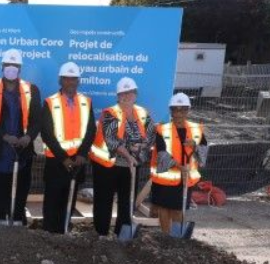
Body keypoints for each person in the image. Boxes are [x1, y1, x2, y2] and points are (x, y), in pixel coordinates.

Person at [0, 48, 42, 225]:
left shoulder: (32, 90)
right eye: (8, 65)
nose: (11, 68)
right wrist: (4, 136)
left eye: (15, 65)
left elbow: (37, 119)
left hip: (21, 152)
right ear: (2, 66)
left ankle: (17, 220)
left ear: (20, 69)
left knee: (20, 190)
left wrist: (29, 137)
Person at [89, 76, 156, 237]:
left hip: (131, 167)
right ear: (118, 96)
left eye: (130, 92)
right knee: (103, 201)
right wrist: (128, 153)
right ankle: (101, 234)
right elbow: (112, 140)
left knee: (128, 201)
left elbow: (151, 135)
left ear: (136, 94)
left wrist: (140, 148)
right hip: (107, 166)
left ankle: (123, 234)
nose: (127, 96)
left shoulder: (142, 113)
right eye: (123, 93)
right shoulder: (110, 113)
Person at [41, 62, 96, 233]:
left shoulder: (86, 102)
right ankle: (50, 232)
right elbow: (47, 134)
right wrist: (63, 158)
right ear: (60, 81)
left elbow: (90, 130)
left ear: (78, 81)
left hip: (77, 160)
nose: (70, 82)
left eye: (74, 79)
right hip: (57, 161)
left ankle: (65, 228)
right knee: (53, 198)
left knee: (70, 198)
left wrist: (82, 154)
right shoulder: (50, 102)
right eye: (67, 79)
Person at [150, 92, 208, 233]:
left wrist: (194, 146)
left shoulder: (197, 129)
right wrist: (180, 167)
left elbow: (203, 154)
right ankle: (166, 236)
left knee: (178, 210)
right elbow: (162, 154)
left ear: (188, 110)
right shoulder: (162, 130)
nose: (179, 113)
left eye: (183, 109)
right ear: (171, 111)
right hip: (165, 179)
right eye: (175, 109)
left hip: (185, 180)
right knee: (164, 209)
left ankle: (176, 237)